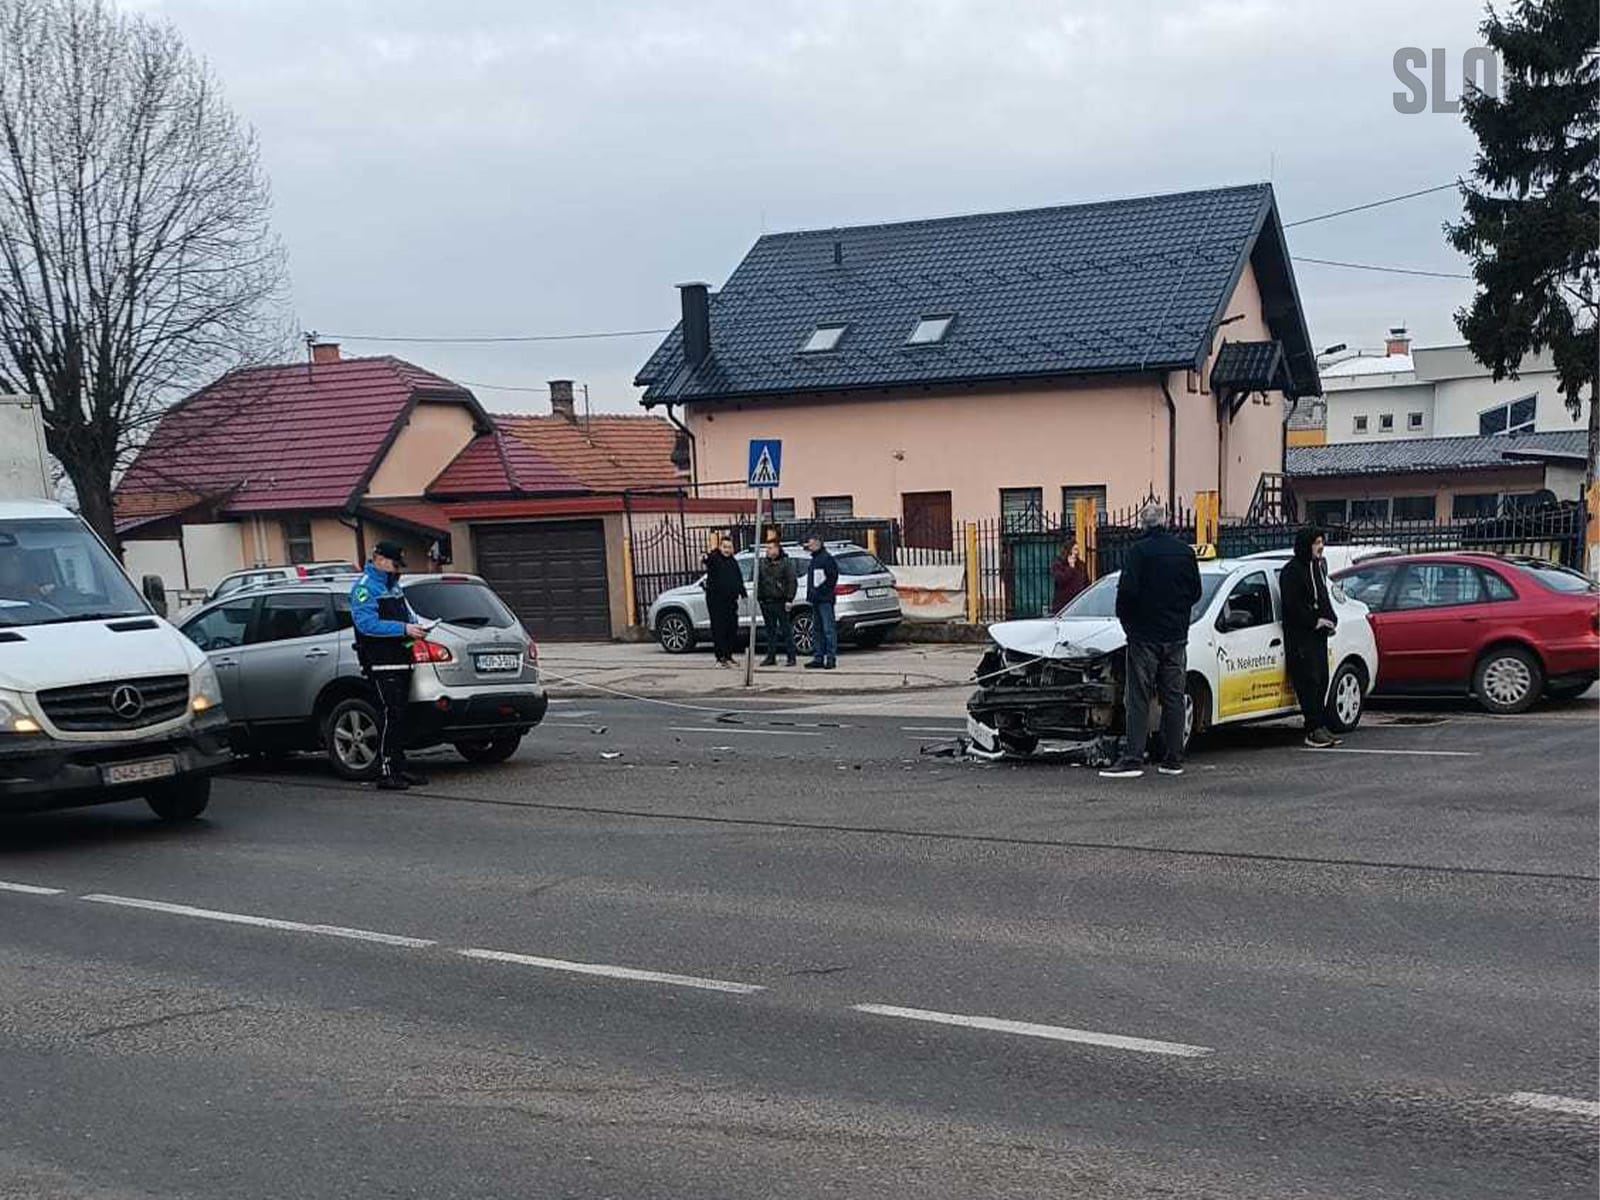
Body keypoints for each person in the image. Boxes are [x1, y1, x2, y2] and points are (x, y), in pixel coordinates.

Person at [1100, 503, 1202, 779]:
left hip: (1144, 635)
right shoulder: (1184, 552)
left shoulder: (1138, 552)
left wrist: (1128, 622)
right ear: (1166, 521)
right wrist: (1178, 615)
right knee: (1173, 697)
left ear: (1142, 524)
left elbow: (1127, 593)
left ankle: (1134, 756)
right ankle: (1173, 757)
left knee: (1138, 696)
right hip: (1176, 634)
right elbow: (1195, 591)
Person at [350, 540, 430, 791]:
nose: (398, 570)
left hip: (401, 658)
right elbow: (366, 625)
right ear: (380, 560)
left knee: (401, 715)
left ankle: (399, 766)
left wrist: (417, 628)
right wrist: (403, 629)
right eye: (395, 565)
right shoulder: (366, 589)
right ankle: (385, 770)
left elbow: (408, 616)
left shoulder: (394, 588)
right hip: (381, 661)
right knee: (389, 713)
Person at [1279, 526, 1343, 749]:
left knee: (1322, 679)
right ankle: (1312, 728)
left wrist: (1330, 620)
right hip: (1300, 638)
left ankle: (1321, 725)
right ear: (1306, 545)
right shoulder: (1292, 572)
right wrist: (1314, 621)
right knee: (1309, 680)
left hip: (1318, 637)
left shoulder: (1317, 568)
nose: (1321, 547)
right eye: (1316, 542)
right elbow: (1293, 605)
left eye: (1321, 542)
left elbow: (1323, 596)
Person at [703, 536, 746, 667]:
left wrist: (742, 593)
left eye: (729, 547)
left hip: (731, 601)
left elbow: (738, 578)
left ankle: (728, 655)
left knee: (731, 628)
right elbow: (708, 560)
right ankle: (720, 657)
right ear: (720, 547)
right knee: (719, 629)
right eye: (724, 547)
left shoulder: (733, 562)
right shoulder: (715, 559)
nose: (727, 550)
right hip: (716, 602)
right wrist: (708, 555)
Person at [757, 538, 798, 667]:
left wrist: (789, 599)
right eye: (766, 548)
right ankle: (771, 656)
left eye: (770, 548)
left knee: (786, 629)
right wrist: (760, 598)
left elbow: (792, 581)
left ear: (777, 549)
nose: (768, 551)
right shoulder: (762, 563)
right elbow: (759, 581)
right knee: (770, 631)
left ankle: (791, 657)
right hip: (766, 601)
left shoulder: (785, 563)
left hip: (780, 601)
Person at [802, 533, 839, 670]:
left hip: (824, 599)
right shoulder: (814, 559)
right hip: (816, 599)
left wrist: (820, 591)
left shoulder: (826, 559)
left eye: (811, 544)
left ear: (818, 543)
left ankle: (830, 658)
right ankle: (818, 657)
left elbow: (831, 578)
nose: (809, 546)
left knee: (828, 629)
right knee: (817, 629)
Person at [1050, 542, 1090, 612]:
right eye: (1075, 549)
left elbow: (1086, 582)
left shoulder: (1081, 565)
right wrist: (1071, 568)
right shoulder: (1058, 564)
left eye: (1077, 550)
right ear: (1069, 550)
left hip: (1078, 603)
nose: (1076, 552)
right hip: (1063, 605)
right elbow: (1060, 580)